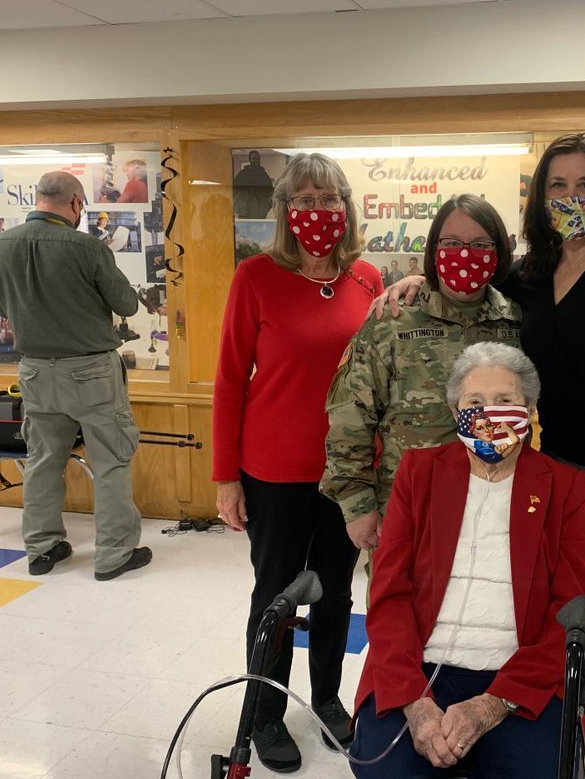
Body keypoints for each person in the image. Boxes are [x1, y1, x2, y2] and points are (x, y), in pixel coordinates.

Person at [381, 131, 585, 779]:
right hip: (551, 471)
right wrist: (425, 273)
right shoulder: (531, 275)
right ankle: (566, 729)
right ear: (540, 197)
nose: (572, 197)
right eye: (558, 185)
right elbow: (472, 279)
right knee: (561, 617)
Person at [349, 342, 585, 779]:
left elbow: (571, 609)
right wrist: (415, 702)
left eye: (506, 401)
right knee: (389, 771)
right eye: (475, 402)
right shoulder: (418, 472)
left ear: (530, 408)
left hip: (517, 677)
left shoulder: (564, 486)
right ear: (454, 410)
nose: (491, 414)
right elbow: (388, 592)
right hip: (420, 666)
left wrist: (493, 704)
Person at [213, 152, 384, 774]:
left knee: (336, 592)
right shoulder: (255, 277)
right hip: (274, 470)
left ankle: (329, 698)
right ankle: (263, 710)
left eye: (328, 198)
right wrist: (225, 476)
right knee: (277, 595)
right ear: (285, 211)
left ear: (347, 207)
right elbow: (230, 379)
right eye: (304, 200)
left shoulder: (368, 279)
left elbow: (381, 375)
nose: (318, 211)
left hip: (348, 475)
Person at [321, 194, 521, 552]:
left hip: (494, 511)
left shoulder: (516, 322)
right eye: (451, 243)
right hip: (408, 509)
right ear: (433, 249)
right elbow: (350, 415)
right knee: (401, 606)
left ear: (498, 251)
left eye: (479, 244)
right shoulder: (394, 320)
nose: (465, 254)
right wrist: (357, 506)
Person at [0, 171, 150, 581]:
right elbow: (126, 303)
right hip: (90, 370)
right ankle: (113, 555)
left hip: (35, 370)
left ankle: (41, 548)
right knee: (111, 461)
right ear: (76, 203)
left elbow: (1, 307)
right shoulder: (85, 247)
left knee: (41, 461)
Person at [233, 150, 275, 219]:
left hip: (260, 211)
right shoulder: (242, 174)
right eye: (253, 158)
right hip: (245, 211)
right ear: (249, 159)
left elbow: (270, 193)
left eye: (257, 159)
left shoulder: (264, 175)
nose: (255, 160)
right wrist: (240, 206)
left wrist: (266, 207)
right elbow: (234, 191)